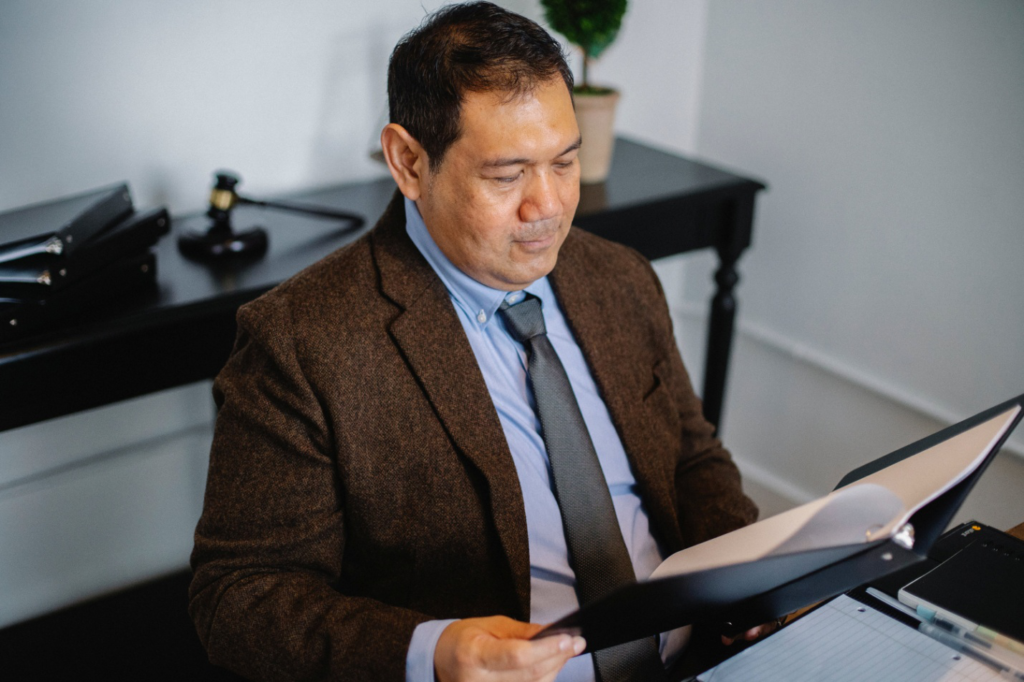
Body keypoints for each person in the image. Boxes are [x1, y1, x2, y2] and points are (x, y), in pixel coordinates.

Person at [189, 3, 758, 681]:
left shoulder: (621, 278)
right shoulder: (300, 343)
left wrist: (758, 581)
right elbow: (240, 599)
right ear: (407, 161)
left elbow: (691, 460)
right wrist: (434, 652)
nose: (546, 206)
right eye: (507, 175)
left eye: (565, 162)